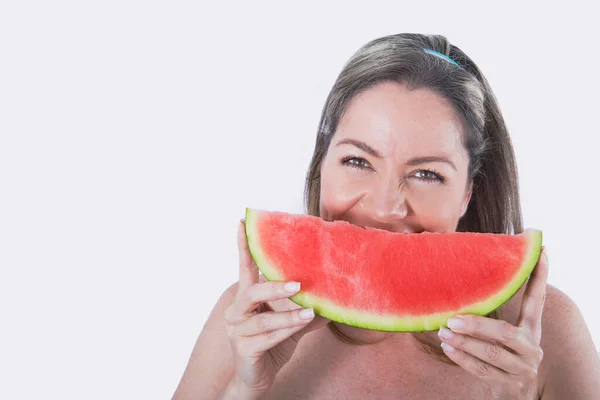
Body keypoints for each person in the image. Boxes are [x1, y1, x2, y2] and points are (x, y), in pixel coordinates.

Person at [172, 33, 600, 399]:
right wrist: (245, 389)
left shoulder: (549, 334)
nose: (384, 207)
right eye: (358, 161)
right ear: (322, 163)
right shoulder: (247, 322)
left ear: (469, 191)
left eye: (427, 173)